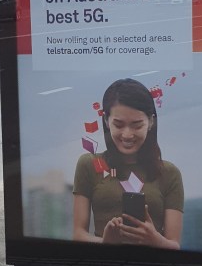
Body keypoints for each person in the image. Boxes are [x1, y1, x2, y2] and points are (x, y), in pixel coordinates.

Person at [72, 78, 184, 249]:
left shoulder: (169, 173)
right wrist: (105, 243)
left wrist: (155, 240)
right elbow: (78, 234)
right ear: (106, 121)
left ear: (151, 122)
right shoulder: (89, 164)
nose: (127, 134)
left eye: (136, 125)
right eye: (119, 124)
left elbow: (174, 245)